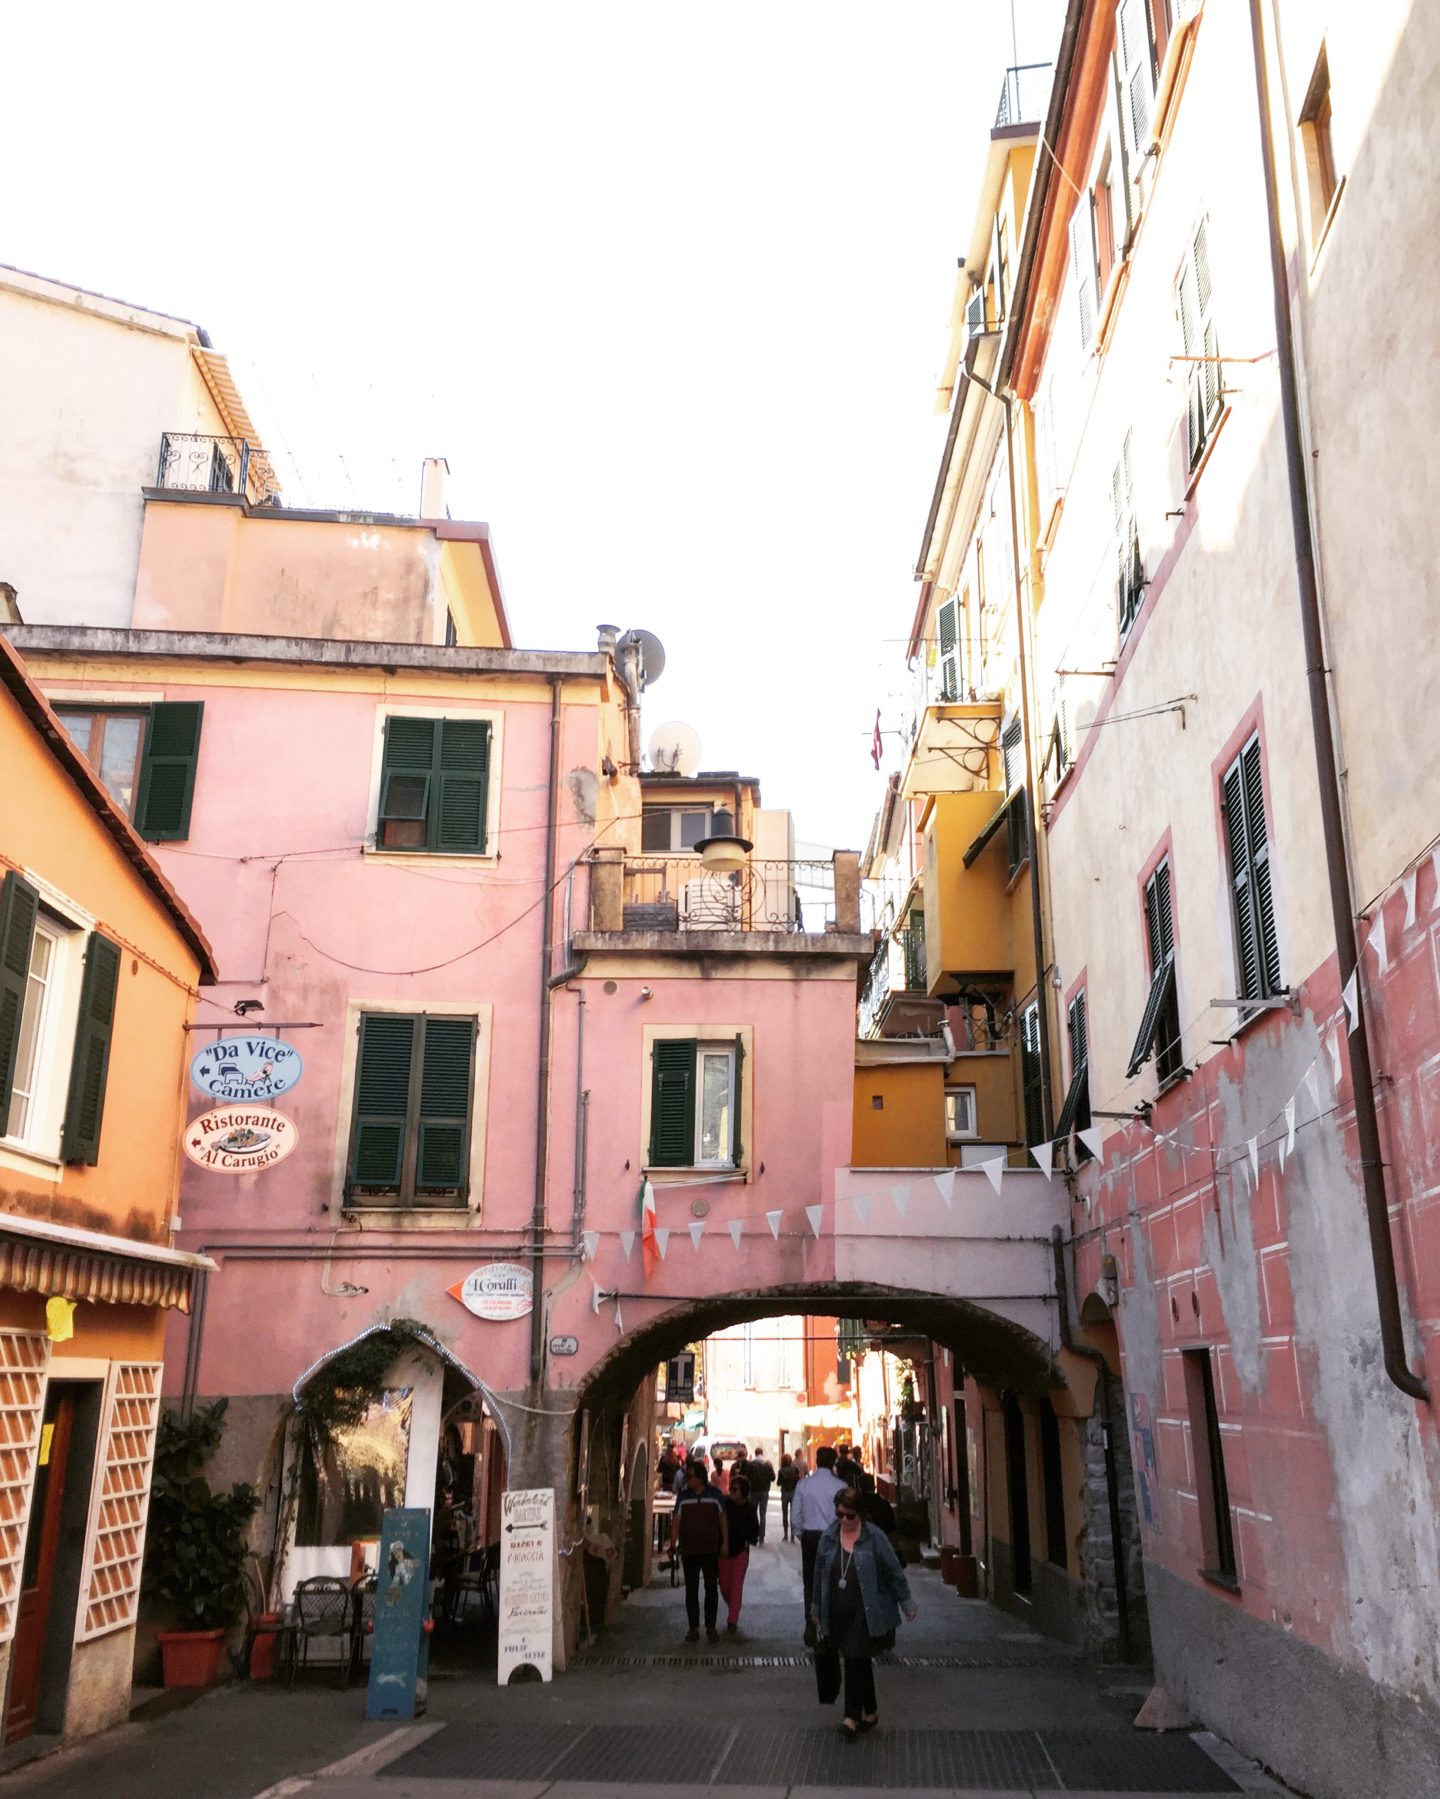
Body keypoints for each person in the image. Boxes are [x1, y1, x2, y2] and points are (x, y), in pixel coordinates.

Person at [812, 1485, 917, 1740]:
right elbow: (818, 1576)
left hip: (866, 1612)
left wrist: (907, 1603)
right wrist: (816, 1609)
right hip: (838, 1613)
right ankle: (871, 1712)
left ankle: (850, 1719)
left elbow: (893, 1571)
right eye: (840, 1514)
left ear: (860, 1514)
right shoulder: (828, 1538)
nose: (845, 1520)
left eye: (850, 1515)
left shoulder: (874, 1538)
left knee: (854, 1660)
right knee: (856, 1659)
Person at [790, 1444, 845, 1645]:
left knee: (811, 1581)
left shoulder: (804, 1485)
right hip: (834, 1537)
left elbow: (795, 1514)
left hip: (811, 1537)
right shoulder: (840, 1486)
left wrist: (799, 1533)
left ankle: (811, 1622)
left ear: (817, 1461)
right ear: (833, 1463)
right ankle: (831, 1624)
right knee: (835, 1580)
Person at [671, 1460, 729, 1642]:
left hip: (710, 1549)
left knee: (711, 1588)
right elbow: (676, 1521)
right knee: (691, 1589)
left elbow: (722, 1519)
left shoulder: (715, 1495)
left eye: (689, 1476)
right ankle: (693, 1627)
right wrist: (673, 1545)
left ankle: (710, 1626)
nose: (687, 1480)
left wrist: (725, 1542)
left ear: (700, 1477)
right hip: (689, 1550)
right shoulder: (683, 1497)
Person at [719, 1472, 759, 1633]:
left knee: (736, 1585)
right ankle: (733, 1607)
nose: (732, 1492)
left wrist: (748, 1541)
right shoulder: (725, 1505)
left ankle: (732, 1619)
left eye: (735, 1489)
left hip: (740, 1551)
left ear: (743, 1492)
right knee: (724, 1585)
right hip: (724, 1549)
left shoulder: (749, 1509)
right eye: (731, 1489)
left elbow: (754, 1528)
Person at [748, 1447, 776, 1543]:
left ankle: (754, 1535)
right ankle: (762, 1537)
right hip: (764, 1491)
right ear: (762, 1453)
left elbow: (747, 1478)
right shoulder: (768, 1464)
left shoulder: (751, 1464)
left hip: (754, 1491)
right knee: (763, 1514)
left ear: (755, 1454)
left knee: (753, 1513)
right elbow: (773, 1477)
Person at [777, 1453, 800, 1542]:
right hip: (794, 1492)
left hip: (785, 1493)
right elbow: (798, 1481)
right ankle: (792, 1536)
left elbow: (778, 1483)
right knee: (793, 1515)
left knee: (785, 1514)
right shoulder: (795, 1470)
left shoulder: (781, 1471)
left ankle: (785, 1534)